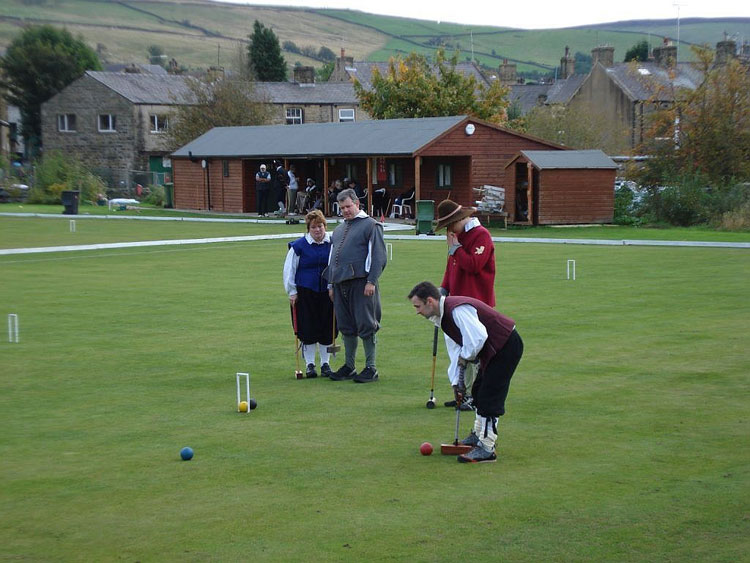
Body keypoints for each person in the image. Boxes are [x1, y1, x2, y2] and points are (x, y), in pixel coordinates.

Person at [408, 281, 523, 463]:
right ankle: (478, 435)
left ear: (430, 301)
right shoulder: (443, 318)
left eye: (418, 306)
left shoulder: (456, 310)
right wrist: (456, 382)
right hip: (494, 349)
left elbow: (478, 338)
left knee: (489, 395)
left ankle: (487, 447)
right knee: (478, 390)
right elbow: (455, 350)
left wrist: (465, 357)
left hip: (505, 345)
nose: (417, 311)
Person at [435, 198, 497, 410]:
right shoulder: (457, 237)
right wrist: (443, 289)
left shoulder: (481, 236)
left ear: (460, 219)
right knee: (458, 348)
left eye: (450, 224)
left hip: (476, 303)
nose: (449, 230)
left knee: (473, 349)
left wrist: (456, 250)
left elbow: (474, 265)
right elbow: (450, 268)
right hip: (456, 302)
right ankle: (462, 392)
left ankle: (472, 395)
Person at [323, 188, 387, 383]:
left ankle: (371, 368)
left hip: (361, 283)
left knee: (366, 324)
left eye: (348, 206)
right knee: (346, 325)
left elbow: (378, 256)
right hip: (340, 284)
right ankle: (349, 366)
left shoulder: (371, 226)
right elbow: (332, 258)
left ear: (357, 204)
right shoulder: (339, 229)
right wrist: (331, 284)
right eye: (342, 207)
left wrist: (371, 281)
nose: (345, 210)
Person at [283, 210, 336, 378]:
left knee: (327, 328)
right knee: (308, 328)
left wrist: (333, 286)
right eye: (313, 227)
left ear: (325, 226)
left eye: (320, 226)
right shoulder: (298, 246)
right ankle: (310, 365)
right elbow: (289, 270)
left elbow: (335, 267)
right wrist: (292, 292)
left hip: (328, 293)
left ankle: (326, 364)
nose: (317, 230)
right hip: (305, 293)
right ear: (308, 229)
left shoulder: (333, 244)